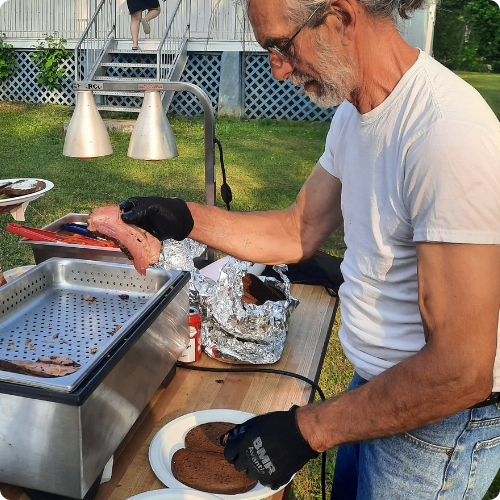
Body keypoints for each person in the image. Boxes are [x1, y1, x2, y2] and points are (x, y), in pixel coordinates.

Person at [119, 0, 500, 497]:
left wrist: (307, 430)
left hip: (438, 423)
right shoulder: (356, 112)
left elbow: (460, 368)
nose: (277, 70)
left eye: (281, 45)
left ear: (339, 17)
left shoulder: (447, 134)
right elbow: (299, 227)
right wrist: (189, 218)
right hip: (381, 385)